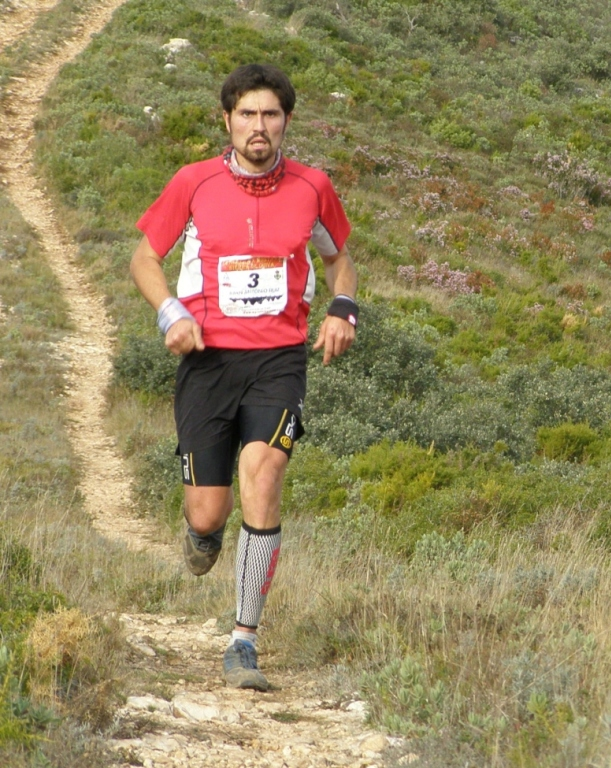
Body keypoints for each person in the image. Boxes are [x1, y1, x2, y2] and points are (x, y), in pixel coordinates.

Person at [129, 64, 358, 691]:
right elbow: (145, 257)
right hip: (207, 359)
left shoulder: (313, 187)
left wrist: (343, 308)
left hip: (279, 359)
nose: (260, 127)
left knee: (266, 472)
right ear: (227, 119)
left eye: (272, 115)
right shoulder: (194, 182)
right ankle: (202, 535)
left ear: (286, 121)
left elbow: (339, 259)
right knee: (207, 513)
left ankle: (244, 642)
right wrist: (169, 312)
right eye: (248, 115)